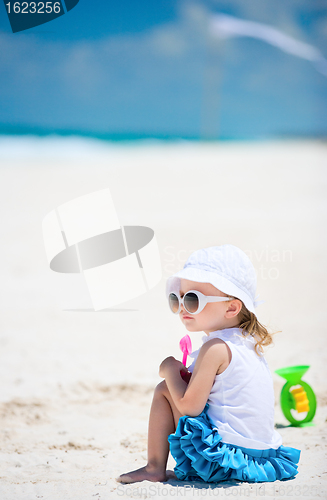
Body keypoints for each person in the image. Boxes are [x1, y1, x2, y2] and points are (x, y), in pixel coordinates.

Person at [116, 244, 301, 484]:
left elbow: (190, 406)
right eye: (177, 298)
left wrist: (171, 370)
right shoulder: (248, 342)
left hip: (223, 460)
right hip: (260, 458)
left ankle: (154, 467)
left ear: (232, 307)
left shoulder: (214, 348)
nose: (183, 307)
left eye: (193, 299)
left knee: (165, 389)